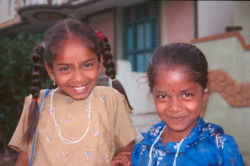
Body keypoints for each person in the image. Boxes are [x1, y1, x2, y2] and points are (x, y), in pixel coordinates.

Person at [9, 18, 137, 166]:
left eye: (87, 65)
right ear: (51, 71)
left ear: (99, 63)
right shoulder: (36, 102)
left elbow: (128, 152)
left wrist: (120, 161)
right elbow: (23, 160)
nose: (78, 78)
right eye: (65, 68)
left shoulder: (110, 99)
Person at [132, 43, 244, 166]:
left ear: (204, 90)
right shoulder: (144, 148)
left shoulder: (220, 149)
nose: (175, 107)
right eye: (163, 96)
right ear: (153, 94)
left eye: (187, 95)